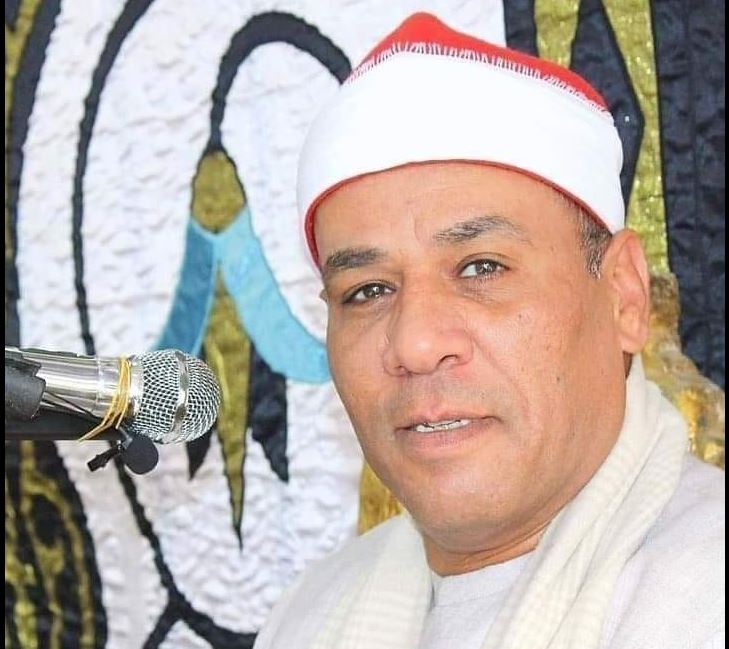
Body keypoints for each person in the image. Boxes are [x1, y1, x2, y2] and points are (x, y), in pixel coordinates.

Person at [254, 12, 725, 649]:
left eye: (481, 267)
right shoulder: (306, 618)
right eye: (367, 291)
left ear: (623, 295)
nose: (416, 344)